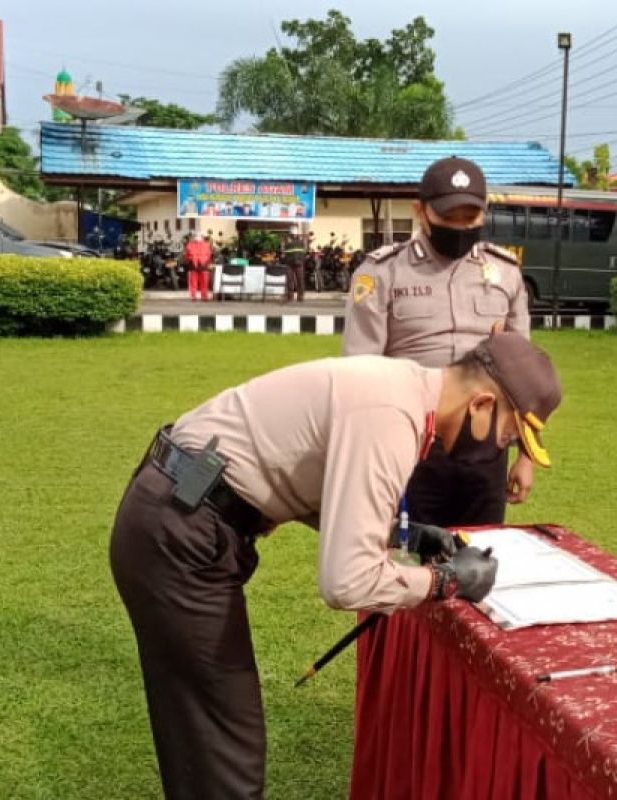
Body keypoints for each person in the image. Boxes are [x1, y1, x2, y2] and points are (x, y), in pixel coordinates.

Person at [110, 332, 561, 800]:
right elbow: (347, 581)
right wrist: (446, 580)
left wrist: (398, 533)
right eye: (507, 437)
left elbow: (311, 483)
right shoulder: (392, 417)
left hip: (176, 509)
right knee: (226, 758)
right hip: (180, 532)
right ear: (482, 404)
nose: (498, 451)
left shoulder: (398, 388)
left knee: (203, 742)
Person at [343, 157, 533, 528]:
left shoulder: (506, 273)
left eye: (470, 217)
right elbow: (359, 372)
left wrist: (526, 454)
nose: (460, 227)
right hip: (411, 448)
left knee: (480, 556)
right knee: (408, 559)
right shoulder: (383, 273)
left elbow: (522, 373)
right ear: (420, 211)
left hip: (486, 447)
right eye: (449, 217)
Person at [184, 231, 213, 301]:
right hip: (202, 264)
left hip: (194, 264)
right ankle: (204, 297)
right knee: (204, 282)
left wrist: (189, 259)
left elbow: (186, 256)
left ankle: (194, 297)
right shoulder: (207, 245)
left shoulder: (189, 244)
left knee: (194, 282)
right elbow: (209, 255)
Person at [283, 232, 307, 303]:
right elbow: (304, 252)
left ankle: (291, 297)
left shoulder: (288, 243)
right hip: (298, 263)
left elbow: (284, 254)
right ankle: (300, 297)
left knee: (290, 280)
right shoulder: (301, 243)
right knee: (299, 280)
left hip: (291, 263)